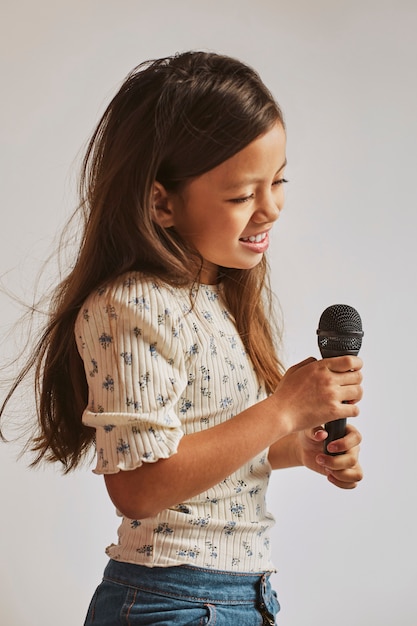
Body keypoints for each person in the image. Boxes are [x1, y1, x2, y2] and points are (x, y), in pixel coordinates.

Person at [0, 51, 363, 625]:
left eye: (279, 181)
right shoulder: (131, 305)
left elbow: (204, 454)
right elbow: (141, 487)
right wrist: (282, 408)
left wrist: (299, 444)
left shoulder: (220, 299)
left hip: (242, 597)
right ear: (161, 201)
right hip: (174, 604)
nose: (270, 208)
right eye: (243, 195)